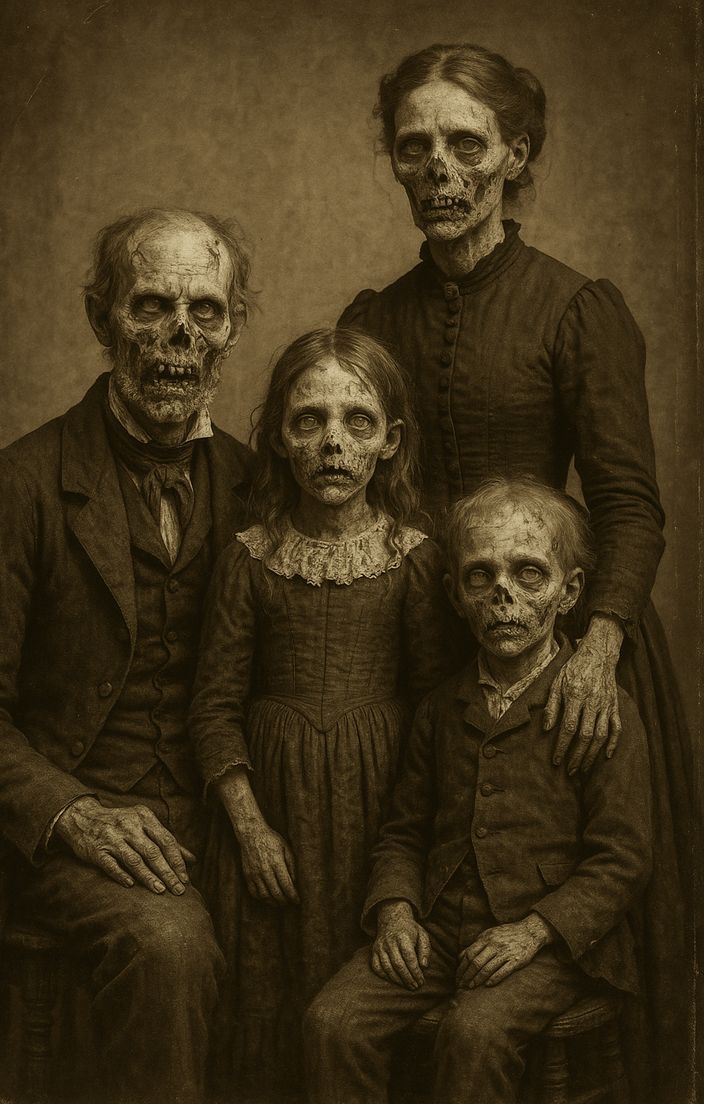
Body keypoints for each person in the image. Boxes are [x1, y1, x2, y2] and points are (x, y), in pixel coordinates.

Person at [337, 43, 693, 1101]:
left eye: (465, 144)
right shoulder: (373, 321)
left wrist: (599, 645)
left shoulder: (577, 309)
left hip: (562, 633)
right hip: (419, 645)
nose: (439, 171)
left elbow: (628, 506)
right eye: (414, 147)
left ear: (515, 155)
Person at [0, 207, 254, 1104]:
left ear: (234, 328)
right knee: (171, 948)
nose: (178, 338)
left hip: (214, 817)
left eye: (205, 311)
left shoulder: (255, 481)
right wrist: (76, 814)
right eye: (151, 306)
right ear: (102, 318)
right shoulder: (16, 485)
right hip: (72, 832)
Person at [305, 476, 653, 1104]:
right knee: (333, 1022)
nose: (502, 597)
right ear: (454, 596)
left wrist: (534, 932)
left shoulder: (602, 711)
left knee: (474, 1033)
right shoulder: (441, 708)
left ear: (570, 591)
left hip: (553, 945)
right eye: (479, 577)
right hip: (442, 932)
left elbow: (621, 860)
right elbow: (404, 833)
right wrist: (396, 911)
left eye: (529, 574)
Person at [188, 327, 461, 1093]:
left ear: (390, 442)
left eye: (357, 422)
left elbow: (438, 716)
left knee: (356, 1012)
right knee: (266, 1011)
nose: (333, 444)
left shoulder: (413, 559)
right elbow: (212, 708)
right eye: (308, 421)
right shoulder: (249, 558)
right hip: (270, 816)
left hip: (380, 815)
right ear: (279, 438)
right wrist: (250, 831)